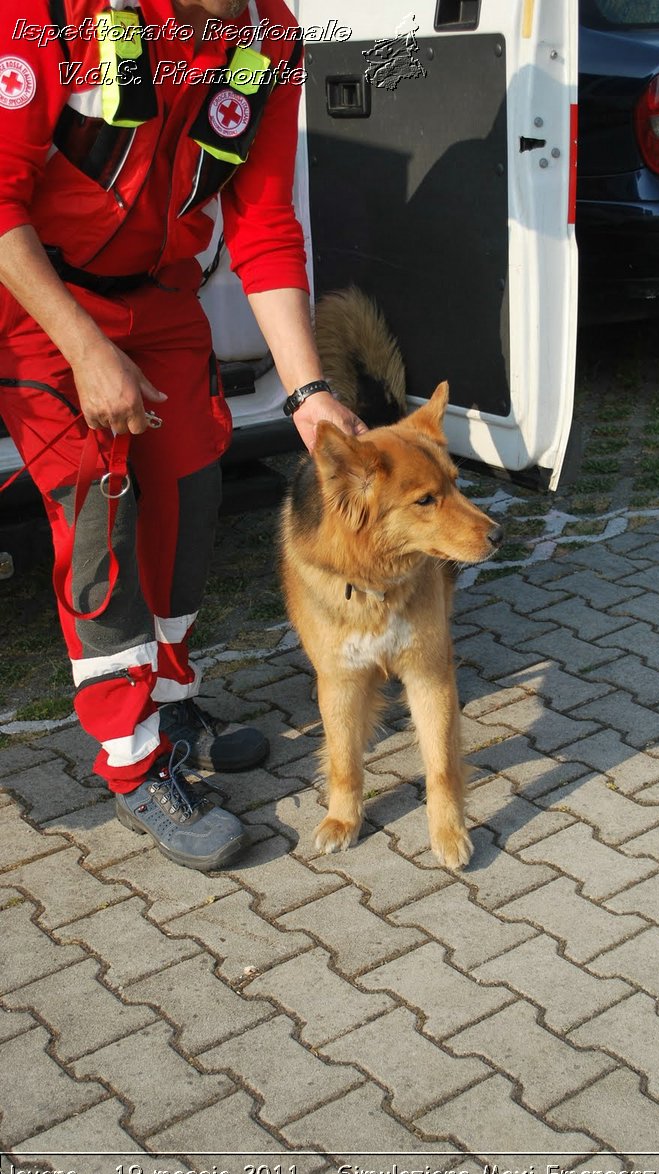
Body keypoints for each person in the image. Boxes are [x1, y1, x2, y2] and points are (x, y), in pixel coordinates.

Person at [0, 0, 366, 871]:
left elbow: (265, 224)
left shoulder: (267, 37)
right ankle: (133, 763)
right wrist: (86, 351)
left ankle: (169, 699)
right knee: (102, 522)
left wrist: (310, 392)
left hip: (161, 299)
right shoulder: (50, 15)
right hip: (43, 303)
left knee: (189, 496)